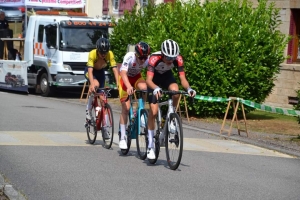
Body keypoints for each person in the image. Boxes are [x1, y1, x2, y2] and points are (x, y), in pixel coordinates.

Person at [145, 39, 196, 159]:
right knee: (153, 111)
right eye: (168, 58)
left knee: (176, 91)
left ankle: (171, 116)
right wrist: (156, 88)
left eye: (172, 58)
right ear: (162, 54)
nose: (170, 61)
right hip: (154, 79)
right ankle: (150, 146)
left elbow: (182, 78)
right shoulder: (154, 58)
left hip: (167, 76)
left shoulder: (178, 59)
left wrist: (189, 89)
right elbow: (148, 80)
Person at [118, 41, 150, 149]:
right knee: (126, 108)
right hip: (125, 79)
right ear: (136, 54)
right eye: (140, 58)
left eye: (144, 58)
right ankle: (123, 137)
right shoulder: (129, 57)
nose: (143, 61)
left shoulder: (147, 60)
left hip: (136, 78)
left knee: (144, 88)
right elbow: (122, 73)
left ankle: (141, 110)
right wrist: (128, 86)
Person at [84, 37, 118, 138]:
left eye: (105, 53)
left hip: (100, 73)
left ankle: (105, 128)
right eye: (101, 53)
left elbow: (115, 70)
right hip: (91, 72)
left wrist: (119, 84)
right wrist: (91, 83)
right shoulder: (92, 53)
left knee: (103, 100)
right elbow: (90, 71)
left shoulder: (109, 54)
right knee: (96, 85)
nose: (103, 55)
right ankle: (88, 110)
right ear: (97, 50)